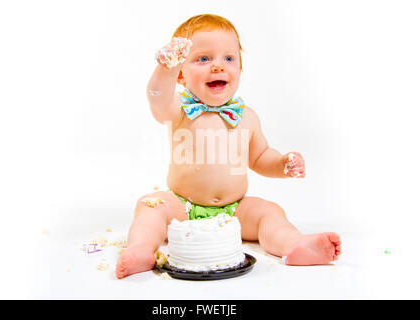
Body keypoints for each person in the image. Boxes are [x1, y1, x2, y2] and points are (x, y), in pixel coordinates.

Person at [116, 14, 341, 279]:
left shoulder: (248, 117)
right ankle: (141, 249)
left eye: (229, 58)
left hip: (235, 209)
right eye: (203, 58)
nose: (217, 66)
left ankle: (293, 244)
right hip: (181, 205)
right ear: (180, 74)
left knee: (270, 212)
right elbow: (157, 97)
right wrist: (164, 69)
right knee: (150, 206)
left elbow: (260, 157)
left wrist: (281, 165)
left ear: (240, 69)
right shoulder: (179, 109)